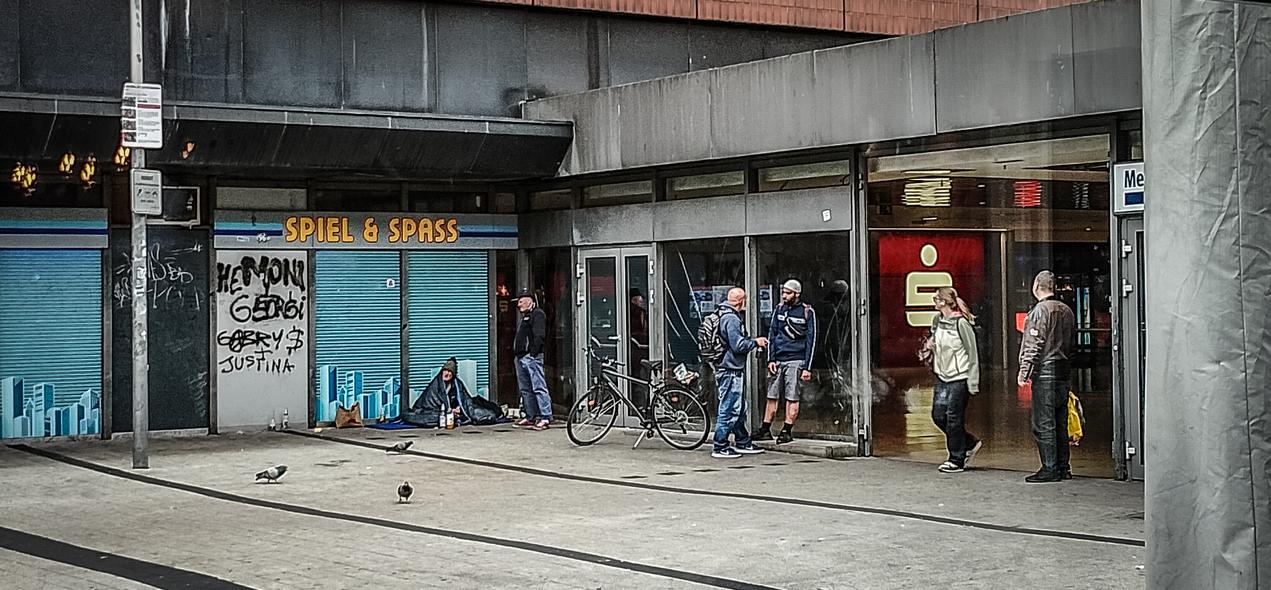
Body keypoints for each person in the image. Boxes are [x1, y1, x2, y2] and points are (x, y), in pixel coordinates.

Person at [1017, 270, 1076, 483]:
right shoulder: (1066, 310)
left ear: (1036, 286)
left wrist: (1024, 372)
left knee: (1044, 423)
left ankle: (1049, 467)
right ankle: (1063, 466)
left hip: (1046, 373)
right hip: (1063, 372)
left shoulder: (1039, 312)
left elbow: (1034, 345)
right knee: (1060, 421)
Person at [924, 286, 982, 474]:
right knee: (938, 415)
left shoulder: (961, 324)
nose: (934, 302)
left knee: (953, 417)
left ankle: (956, 458)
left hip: (960, 377)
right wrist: (930, 345)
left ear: (943, 302)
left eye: (936, 299)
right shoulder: (938, 321)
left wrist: (972, 381)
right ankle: (968, 443)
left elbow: (972, 353)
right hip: (943, 375)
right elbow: (935, 340)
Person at [712, 287, 770, 459]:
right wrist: (755, 342)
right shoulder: (731, 319)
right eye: (745, 299)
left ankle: (743, 441)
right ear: (740, 301)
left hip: (729, 368)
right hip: (730, 369)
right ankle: (720, 445)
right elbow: (738, 345)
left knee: (739, 408)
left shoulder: (722, 313)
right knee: (730, 408)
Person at [757, 279, 816, 444]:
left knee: (792, 396)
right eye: (783, 292)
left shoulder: (807, 312)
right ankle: (765, 429)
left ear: (797, 294)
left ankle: (787, 430)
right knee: (771, 395)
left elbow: (812, 339)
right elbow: (772, 334)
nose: (784, 296)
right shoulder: (779, 309)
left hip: (796, 360)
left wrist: (807, 367)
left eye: (788, 293)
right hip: (779, 359)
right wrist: (771, 359)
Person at [404, 357, 503, 428]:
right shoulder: (436, 385)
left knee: (483, 413)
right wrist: (448, 410)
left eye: (450, 372)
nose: (447, 374)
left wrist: (460, 408)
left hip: (451, 412)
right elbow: (429, 403)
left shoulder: (457, 384)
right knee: (426, 417)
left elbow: (466, 401)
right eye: (445, 371)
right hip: (434, 411)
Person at [513, 288, 552, 431]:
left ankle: (545, 416)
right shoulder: (526, 316)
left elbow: (539, 336)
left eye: (521, 301)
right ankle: (530, 416)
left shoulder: (538, 314)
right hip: (521, 357)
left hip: (531, 357)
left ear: (530, 301)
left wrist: (532, 354)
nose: (519, 305)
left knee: (538, 387)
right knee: (525, 389)